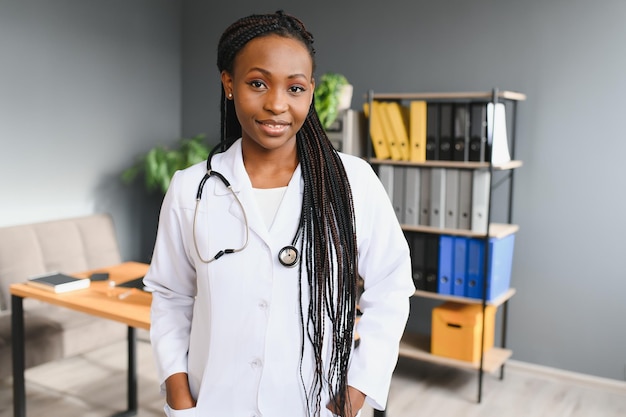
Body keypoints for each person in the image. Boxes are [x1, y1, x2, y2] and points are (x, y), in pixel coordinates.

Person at [144, 10, 415, 417]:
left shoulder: (351, 182)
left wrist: (354, 395)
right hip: (216, 402)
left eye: (295, 88)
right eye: (258, 83)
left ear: (310, 93)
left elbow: (392, 287)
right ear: (229, 84)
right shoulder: (191, 189)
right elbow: (170, 295)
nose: (276, 104)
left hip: (314, 405)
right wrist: (177, 392)